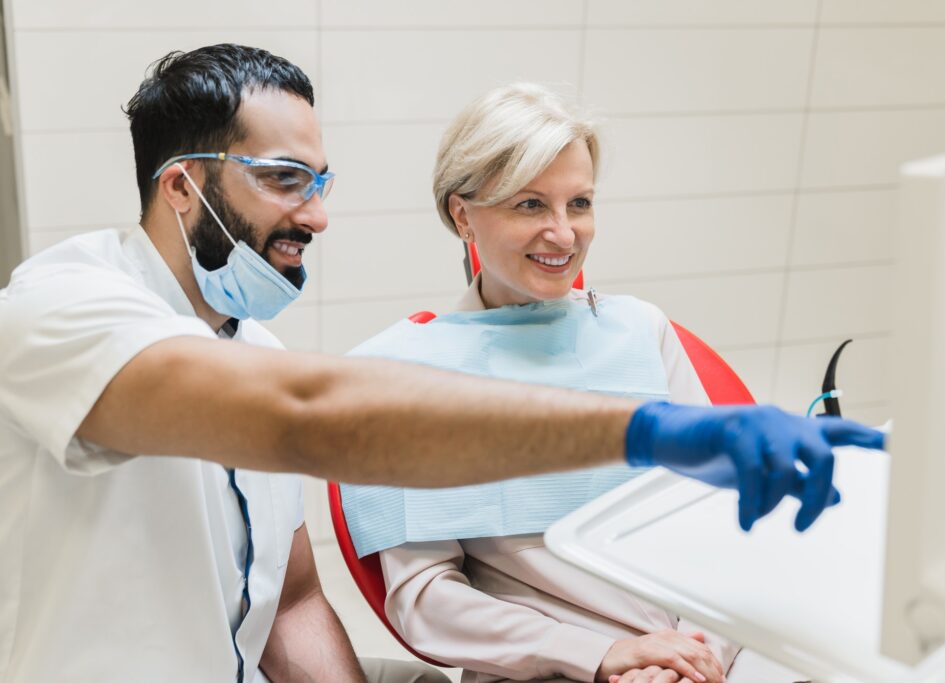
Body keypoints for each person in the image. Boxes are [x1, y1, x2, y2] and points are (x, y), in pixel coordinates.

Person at [0, 46, 882, 683]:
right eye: (282, 179)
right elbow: (307, 418)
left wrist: (698, 652)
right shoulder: (58, 308)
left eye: (320, 182)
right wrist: (654, 430)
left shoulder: (253, 346)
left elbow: (295, 597)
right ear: (182, 183)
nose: (316, 215)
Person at [339, 83, 815, 683]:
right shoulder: (397, 376)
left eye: (580, 203)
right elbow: (424, 600)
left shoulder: (641, 330)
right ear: (463, 214)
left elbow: (722, 516)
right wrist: (599, 657)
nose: (564, 235)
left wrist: (697, 655)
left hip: (709, 652)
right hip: (549, 667)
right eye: (530, 205)